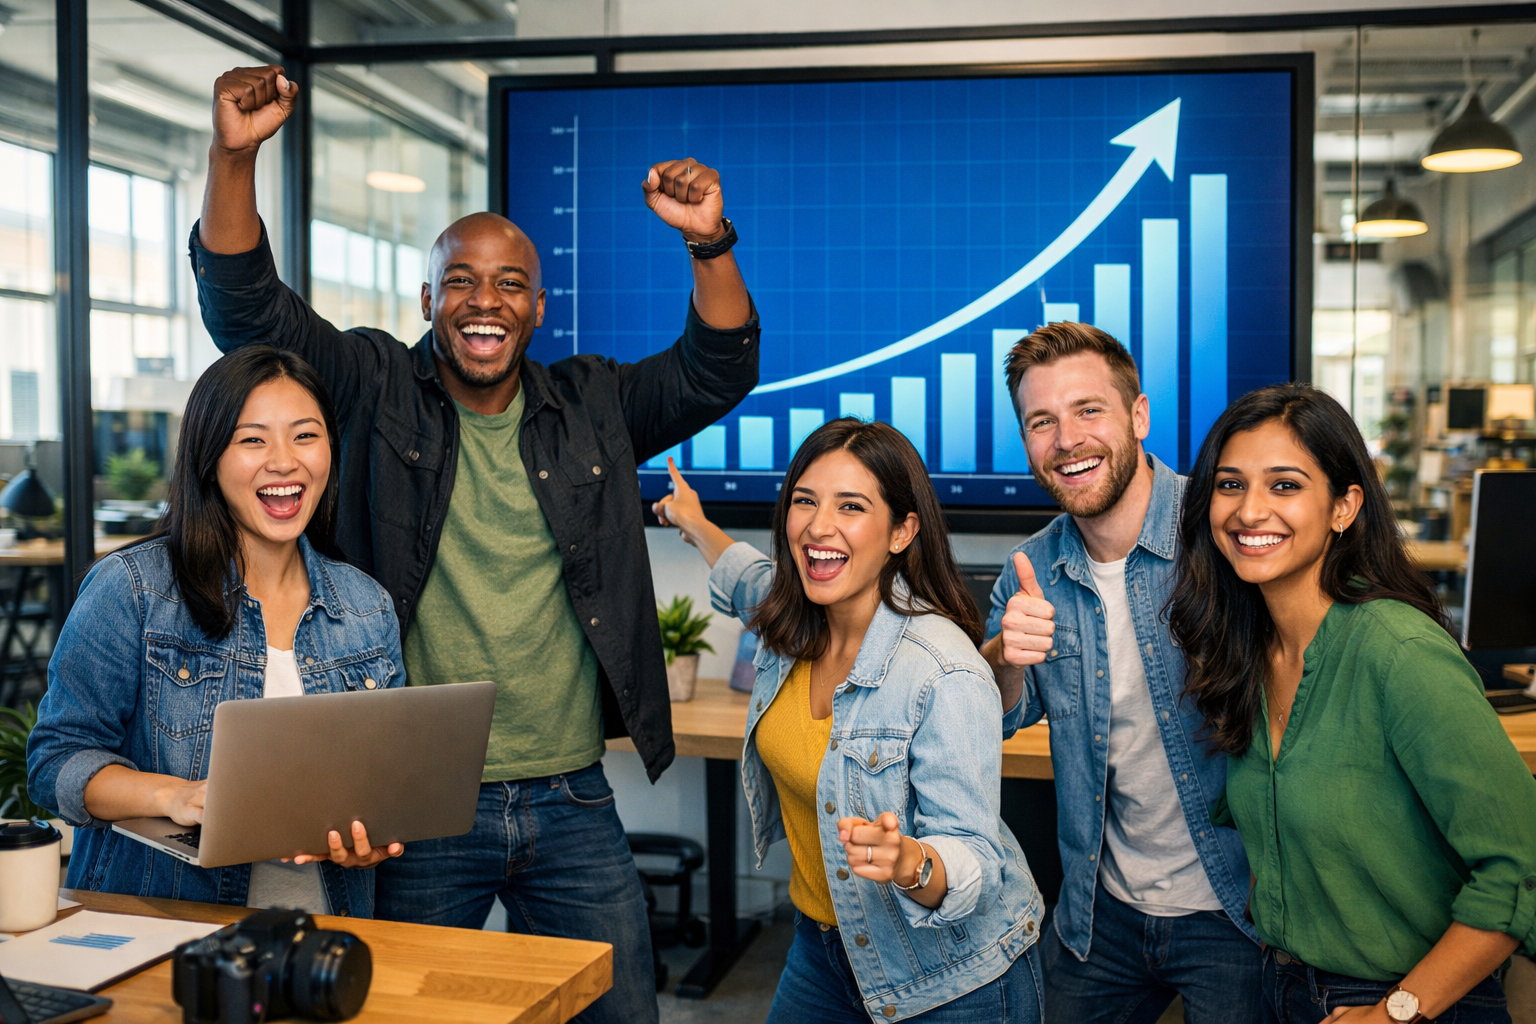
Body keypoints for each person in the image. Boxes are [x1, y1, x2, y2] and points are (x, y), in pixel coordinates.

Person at [190, 65, 758, 1021]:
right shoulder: (370, 385)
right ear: (425, 300)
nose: (482, 300)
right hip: (417, 803)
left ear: (538, 308)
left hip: (572, 794)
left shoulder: (594, 405)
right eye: (459, 281)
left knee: (618, 1012)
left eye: (508, 284)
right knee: (407, 1011)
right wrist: (234, 155)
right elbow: (247, 310)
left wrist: (710, 243)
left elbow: (715, 371)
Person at [653, 418, 1045, 1024]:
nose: (818, 526)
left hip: (949, 974)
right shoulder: (792, 619)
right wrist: (695, 521)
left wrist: (909, 861)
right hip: (823, 947)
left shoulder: (942, 668)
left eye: (851, 506)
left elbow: (975, 858)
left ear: (901, 531)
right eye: (804, 501)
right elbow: (744, 577)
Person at [1168, 383, 1536, 1024]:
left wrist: (1396, 1012)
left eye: (1285, 485)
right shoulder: (1248, 652)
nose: (1250, 511)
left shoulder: (1397, 651)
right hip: (1283, 989)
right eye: (1230, 485)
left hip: (1411, 1004)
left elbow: (1519, 867)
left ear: (1344, 507)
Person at [28, 346, 404, 916]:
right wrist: (170, 795)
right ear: (210, 457)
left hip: (325, 936)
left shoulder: (366, 606)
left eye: (306, 435)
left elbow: (381, 785)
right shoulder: (132, 589)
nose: (285, 462)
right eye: (253, 440)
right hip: (159, 930)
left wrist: (367, 840)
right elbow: (56, 761)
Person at [981, 321, 1260, 1022]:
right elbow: (993, 716)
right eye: (1041, 421)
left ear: (1138, 416)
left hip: (1240, 909)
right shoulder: (1029, 572)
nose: (1066, 440)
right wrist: (1005, 657)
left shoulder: (1227, 534)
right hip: (1099, 912)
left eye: (1087, 410)